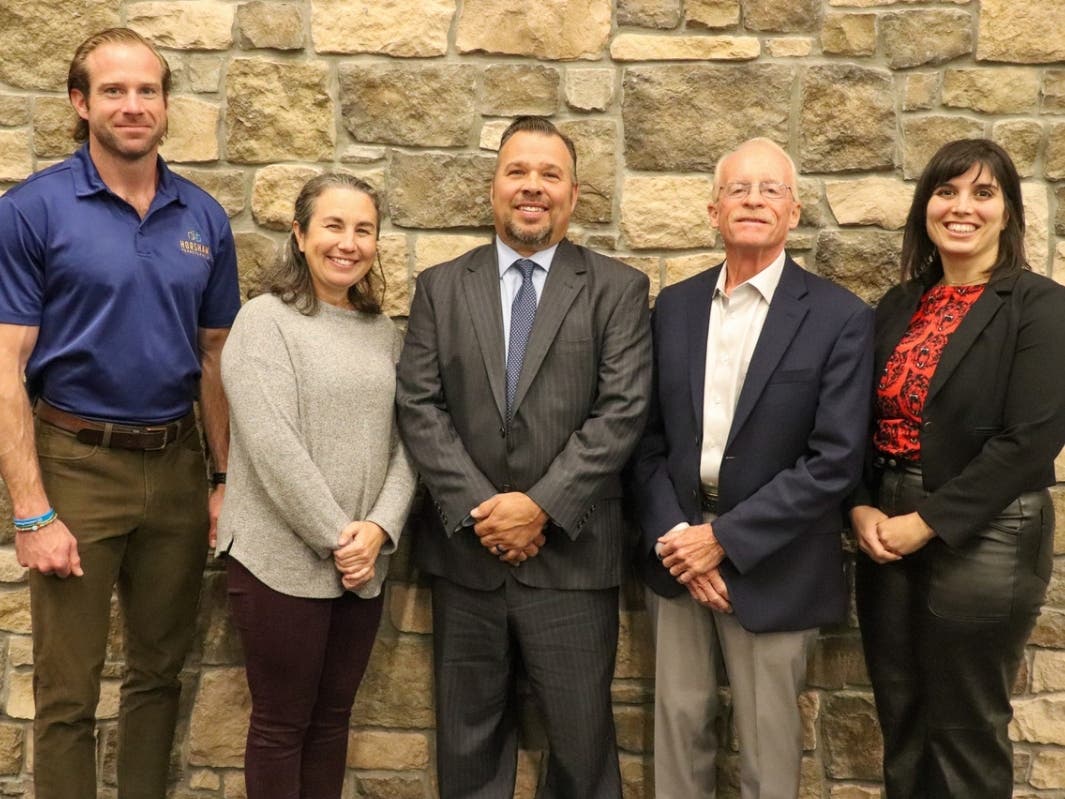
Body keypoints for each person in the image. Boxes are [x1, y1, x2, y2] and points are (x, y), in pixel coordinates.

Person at [0, 28, 239, 799]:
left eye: (147, 91)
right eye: (113, 91)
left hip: (174, 467)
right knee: (67, 693)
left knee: (157, 676)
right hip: (76, 463)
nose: (132, 106)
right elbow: (5, 362)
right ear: (81, 102)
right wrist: (32, 509)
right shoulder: (33, 210)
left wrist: (223, 476)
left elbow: (214, 359)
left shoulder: (203, 217)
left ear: (166, 106)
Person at [396, 115, 652, 798]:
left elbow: (622, 410)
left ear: (572, 194)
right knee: (468, 750)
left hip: (570, 561)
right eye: (517, 171)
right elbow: (420, 407)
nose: (531, 187)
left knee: (581, 752)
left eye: (549, 174)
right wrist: (486, 512)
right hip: (466, 562)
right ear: (493, 187)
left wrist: (539, 506)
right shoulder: (441, 287)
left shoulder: (616, 289)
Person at [628, 137, 875, 799]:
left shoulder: (839, 318)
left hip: (775, 561)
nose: (753, 200)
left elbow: (834, 460)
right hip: (676, 552)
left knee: (768, 754)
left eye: (770, 189)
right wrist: (682, 539)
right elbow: (645, 440)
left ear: (793, 212)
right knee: (679, 733)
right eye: (738, 189)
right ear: (713, 210)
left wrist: (723, 541)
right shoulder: (673, 308)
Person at [849, 138, 1065, 798]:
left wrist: (927, 522)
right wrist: (858, 505)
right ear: (924, 209)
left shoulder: (1040, 306)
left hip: (986, 532)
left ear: (1007, 211)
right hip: (883, 526)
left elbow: (1028, 441)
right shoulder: (898, 304)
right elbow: (855, 419)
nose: (961, 206)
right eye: (945, 191)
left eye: (982, 192)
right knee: (901, 715)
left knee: (964, 729)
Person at [217, 173, 415, 798]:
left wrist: (378, 531)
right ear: (300, 234)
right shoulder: (264, 322)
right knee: (281, 726)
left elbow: (411, 443)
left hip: (360, 568)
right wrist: (339, 537)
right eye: (333, 226)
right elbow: (273, 448)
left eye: (364, 230)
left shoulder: (385, 334)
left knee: (332, 724)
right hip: (280, 562)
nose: (348, 243)